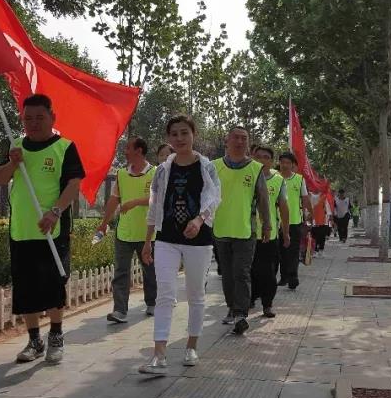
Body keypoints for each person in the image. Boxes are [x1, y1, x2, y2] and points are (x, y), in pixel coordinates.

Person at [0, 94, 84, 365]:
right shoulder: (16, 146)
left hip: (52, 231)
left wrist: (55, 212)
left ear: (52, 117)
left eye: (39, 117)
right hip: (21, 231)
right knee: (26, 289)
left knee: (54, 285)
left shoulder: (65, 147)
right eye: (28, 118)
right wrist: (12, 163)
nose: (33, 123)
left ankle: (56, 336)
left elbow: (74, 185)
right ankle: (34, 340)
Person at [139, 115, 221, 375]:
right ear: (168, 138)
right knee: (165, 293)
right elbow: (154, 207)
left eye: (184, 132)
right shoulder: (162, 170)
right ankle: (159, 354)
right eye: (174, 134)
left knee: (196, 294)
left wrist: (199, 220)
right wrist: (148, 241)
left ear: (194, 134)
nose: (179, 138)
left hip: (199, 240)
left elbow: (214, 199)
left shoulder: (206, 167)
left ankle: (191, 346)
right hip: (166, 239)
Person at [213, 127, 270, 335]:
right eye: (235, 137)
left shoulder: (255, 168)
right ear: (227, 140)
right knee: (227, 274)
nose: (239, 141)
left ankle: (240, 314)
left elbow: (263, 199)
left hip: (246, 231)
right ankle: (231, 307)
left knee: (242, 272)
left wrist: (267, 224)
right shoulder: (214, 167)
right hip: (220, 229)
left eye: (244, 138)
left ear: (248, 142)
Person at [97, 137, 157, 323]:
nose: (125, 152)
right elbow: (114, 199)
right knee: (121, 273)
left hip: (148, 233)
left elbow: (157, 200)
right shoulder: (121, 174)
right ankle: (120, 310)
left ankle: (152, 302)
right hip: (124, 232)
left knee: (150, 271)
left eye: (128, 148)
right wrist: (104, 223)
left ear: (139, 150)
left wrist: (133, 202)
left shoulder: (155, 172)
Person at [250, 146, 289, 318]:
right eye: (258, 157)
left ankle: (267, 304)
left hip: (268, 235)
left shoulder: (278, 180)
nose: (261, 160)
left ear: (272, 161)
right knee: (249, 271)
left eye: (266, 157)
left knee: (268, 273)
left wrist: (286, 232)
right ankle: (249, 300)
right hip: (246, 233)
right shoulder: (246, 176)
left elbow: (284, 208)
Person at [277, 153, 312, 290]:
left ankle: (293, 277)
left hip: (295, 221)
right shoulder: (275, 177)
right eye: (282, 162)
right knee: (281, 251)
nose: (285, 165)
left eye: (288, 162)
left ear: (293, 165)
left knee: (293, 250)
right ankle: (283, 276)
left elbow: (305, 198)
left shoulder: (299, 179)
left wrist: (310, 213)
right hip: (277, 222)